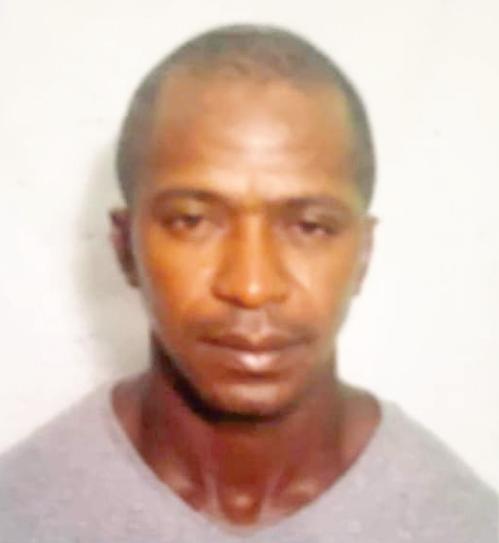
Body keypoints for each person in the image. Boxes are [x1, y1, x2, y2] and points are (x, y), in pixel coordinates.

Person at [0, 24, 496, 542]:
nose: (252, 286)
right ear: (126, 248)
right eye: (192, 221)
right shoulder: (18, 513)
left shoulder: (465, 525)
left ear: (363, 256)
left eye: (311, 227)